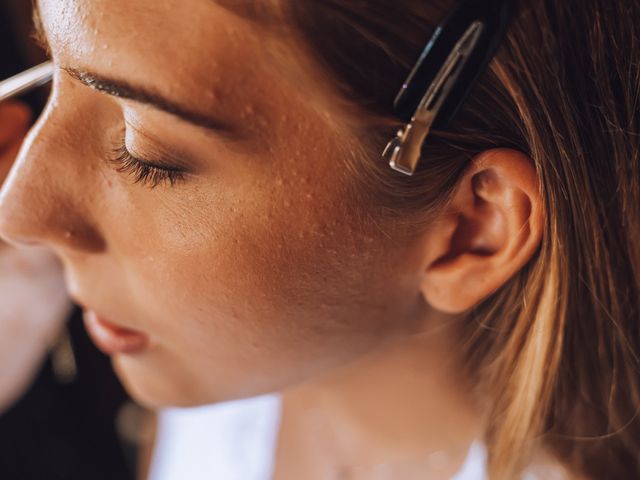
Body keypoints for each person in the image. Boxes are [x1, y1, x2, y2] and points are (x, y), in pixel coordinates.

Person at [0, 0, 638, 478]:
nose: (16, 210)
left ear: (472, 230)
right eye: (51, 72)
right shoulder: (217, 359)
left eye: (149, 151)